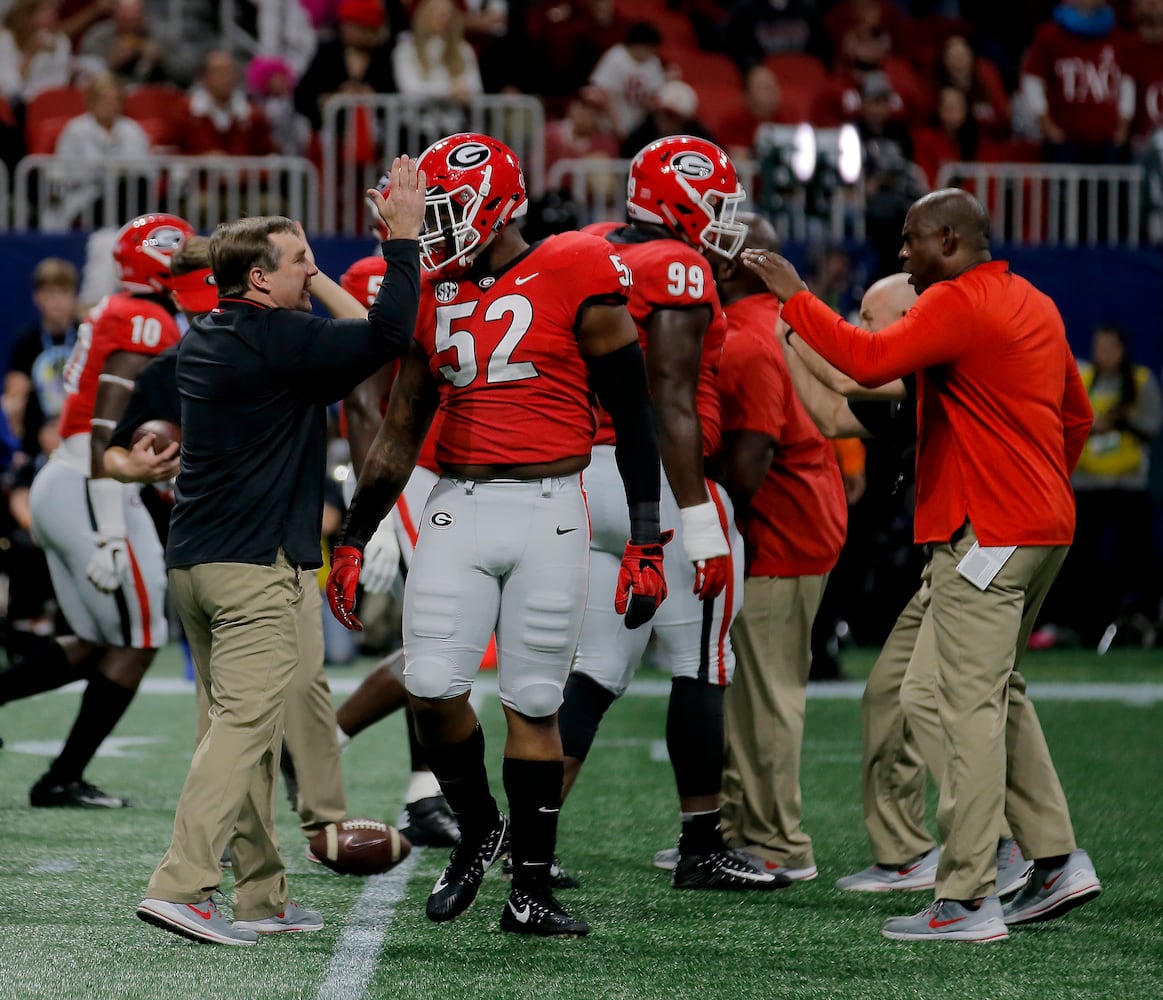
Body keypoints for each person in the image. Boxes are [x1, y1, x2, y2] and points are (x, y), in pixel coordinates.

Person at [327, 132, 665, 937]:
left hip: (554, 505)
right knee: (432, 686)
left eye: (444, 212)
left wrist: (648, 538)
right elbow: (402, 425)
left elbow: (636, 417)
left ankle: (532, 888)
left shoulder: (578, 265)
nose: (432, 231)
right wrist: (354, 532)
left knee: (535, 703)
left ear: (494, 206)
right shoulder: (436, 288)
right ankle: (480, 827)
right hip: (458, 502)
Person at [742, 188, 1101, 942]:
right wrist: (1035, 488)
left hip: (990, 531)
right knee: (967, 690)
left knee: (960, 706)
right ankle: (1054, 859)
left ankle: (969, 897)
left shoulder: (959, 301)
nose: (901, 255)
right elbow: (1077, 418)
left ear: (946, 238)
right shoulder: (1032, 299)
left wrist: (795, 297)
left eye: (909, 240)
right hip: (1038, 528)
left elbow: (864, 359)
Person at [137, 159, 425, 948]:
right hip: (251, 570)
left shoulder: (216, 333)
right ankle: (183, 886)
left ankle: (259, 898)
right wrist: (402, 237)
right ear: (259, 279)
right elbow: (391, 333)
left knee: (244, 737)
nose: (314, 270)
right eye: (301, 261)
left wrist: (305, 267)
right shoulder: (281, 341)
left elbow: (358, 331)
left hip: (198, 564)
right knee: (238, 734)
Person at [559, 136, 785, 893]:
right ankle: (699, 848)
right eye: (716, 202)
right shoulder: (679, 266)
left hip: (581, 480)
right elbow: (671, 400)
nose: (722, 219)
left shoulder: (586, 247)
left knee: (592, 670)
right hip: (655, 484)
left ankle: (530, 841)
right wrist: (693, 518)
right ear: (681, 198)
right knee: (699, 667)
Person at [780, 271, 1034, 899]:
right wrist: (789, 338)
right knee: (893, 695)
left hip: (979, 544)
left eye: (872, 318)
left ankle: (1006, 845)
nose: (863, 330)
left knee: (937, 697)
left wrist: (788, 314)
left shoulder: (938, 359)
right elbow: (833, 415)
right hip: (952, 551)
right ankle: (908, 852)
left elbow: (847, 374)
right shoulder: (918, 367)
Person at [0, 214, 192, 808]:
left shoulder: (123, 308)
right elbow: (109, 429)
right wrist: (111, 531)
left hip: (80, 480)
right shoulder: (147, 318)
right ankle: (62, 774)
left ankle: (61, 774)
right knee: (139, 638)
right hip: (95, 483)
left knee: (98, 636)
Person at [706, 212, 847, 883]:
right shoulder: (777, 320)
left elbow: (750, 458)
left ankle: (777, 843)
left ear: (734, 264)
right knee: (750, 686)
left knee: (766, 691)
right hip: (801, 517)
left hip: (779, 530)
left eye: (708, 248)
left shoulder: (746, 336)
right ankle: (736, 826)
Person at [3, 257, 79, 456]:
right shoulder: (27, 341)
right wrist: (16, 448)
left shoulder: (86, 335)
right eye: (50, 293)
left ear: (74, 295)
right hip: (36, 444)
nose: (58, 302)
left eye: (64, 292)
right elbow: (14, 398)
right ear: (38, 297)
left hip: (80, 437)